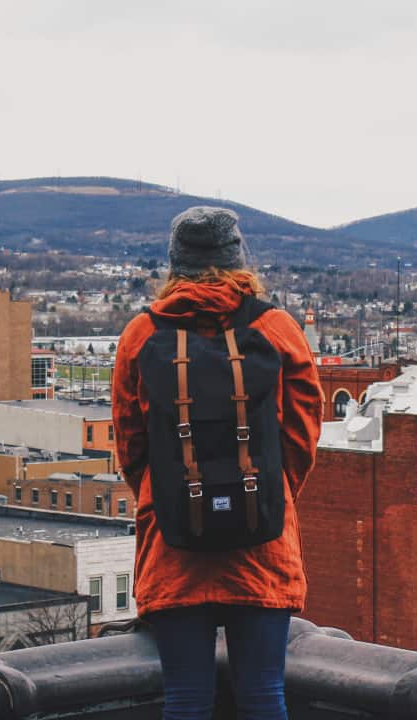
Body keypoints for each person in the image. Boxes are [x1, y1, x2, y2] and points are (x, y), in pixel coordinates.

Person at [112, 206, 323, 720]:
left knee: (185, 697)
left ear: (175, 265)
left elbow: (130, 446)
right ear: (237, 258)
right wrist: (269, 492)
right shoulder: (277, 328)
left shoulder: (140, 335)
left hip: (174, 545)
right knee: (262, 694)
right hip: (262, 542)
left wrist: (167, 495)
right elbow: (303, 433)